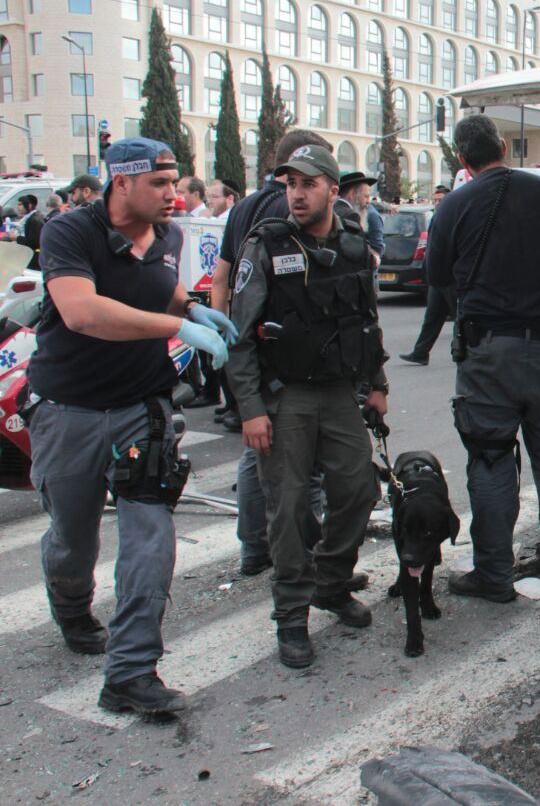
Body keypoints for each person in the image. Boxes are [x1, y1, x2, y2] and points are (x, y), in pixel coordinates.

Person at [27, 137, 235, 714]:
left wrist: (191, 309)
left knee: (151, 536)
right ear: (122, 183)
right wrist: (178, 329)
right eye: (161, 185)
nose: (174, 196)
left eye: (177, 183)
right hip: (68, 409)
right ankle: (71, 607)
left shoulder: (168, 235)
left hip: (141, 407)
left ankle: (131, 671)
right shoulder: (69, 232)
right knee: (74, 538)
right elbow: (82, 312)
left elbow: (159, 291)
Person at [427, 115, 540, 601]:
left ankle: (493, 573)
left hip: (487, 354)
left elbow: (437, 273)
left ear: (462, 160)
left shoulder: (455, 205)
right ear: (504, 146)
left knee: (490, 460)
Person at [227, 144, 387, 669]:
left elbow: (366, 320)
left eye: (308, 183)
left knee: (358, 489)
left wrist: (377, 382)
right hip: (285, 397)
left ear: (332, 190)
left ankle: (332, 581)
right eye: (290, 184)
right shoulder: (266, 247)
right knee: (291, 509)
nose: (296, 193)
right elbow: (240, 337)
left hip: (339, 393)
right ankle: (291, 615)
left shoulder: (354, 247)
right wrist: (250, 408)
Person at [211, 130, 332, 572]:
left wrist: (225, 333)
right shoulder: (296, 210)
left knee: (256, 452)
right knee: (304, 466)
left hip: (251, 346)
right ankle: (305, 555)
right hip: (290, 357)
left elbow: (222, 277)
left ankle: (254, 549)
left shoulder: (243, 207)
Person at [401, 185, 452, 365]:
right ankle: (420, 352)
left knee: (462, 316)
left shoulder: (453, 217)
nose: (437, 203)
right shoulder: (434, 217)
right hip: (436, 276)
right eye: (435, 200)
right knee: (432, 317)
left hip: (450, 276)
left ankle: (464, 352)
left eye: (441, 200)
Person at [337, 172, 385, 262]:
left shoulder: (329, 210)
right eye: (366, 197)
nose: (368, 201)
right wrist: (373, 258)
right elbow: (355, 249)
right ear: (352, 194)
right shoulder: (351, 215)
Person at [15, 194, 44, 270]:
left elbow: (33, 242)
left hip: (33, 258)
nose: (18, 207)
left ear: (29, 205)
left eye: (20, 204)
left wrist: (16, 238)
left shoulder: (33, 220)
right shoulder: (31, 217)